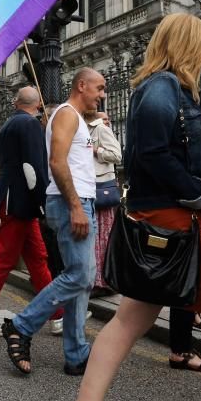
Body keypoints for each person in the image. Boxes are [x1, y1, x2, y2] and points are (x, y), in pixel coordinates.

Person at [67, 13, 201, 401]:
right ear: (187, 47)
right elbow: (153, 154)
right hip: (179, 221)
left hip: (164, 219)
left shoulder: (158, 88)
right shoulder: (163, 87)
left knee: (127, 321)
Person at [1, 69, 104, 377]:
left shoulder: (73, 117)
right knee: (78, 275)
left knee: (83, 280)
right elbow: (57, 162)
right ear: (81, 85)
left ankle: (75, 354)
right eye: (99, 88)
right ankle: (21, 325)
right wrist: (75, 206)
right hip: (73, 201)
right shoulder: (67, 114)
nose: (102, 94)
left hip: (82, 201)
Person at [0, 86, 62, 337]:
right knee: (3, 261)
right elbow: (34, 167)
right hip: (20, 200)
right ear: (37, 105)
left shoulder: (10, 124)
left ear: (15, 103)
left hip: (16, 199)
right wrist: (43, 201)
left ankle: (57, 315)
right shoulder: (30, 125)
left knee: (38, 258)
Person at [85, 110, 120, 298]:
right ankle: (97, 280)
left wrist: (97, 151)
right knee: (94, 239)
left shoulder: (101, 129)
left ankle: (104, 281)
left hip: (102, 190)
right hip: (89, 188)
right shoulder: (84, 129)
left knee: (103, 237)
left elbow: (117, 155)